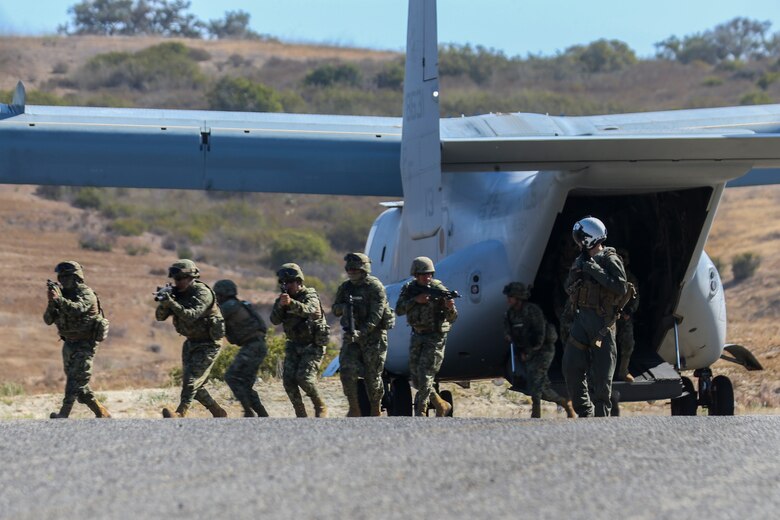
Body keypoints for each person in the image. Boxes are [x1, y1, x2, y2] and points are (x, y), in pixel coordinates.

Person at [563, 217, 628, 417]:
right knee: (571, 366)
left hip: (602, 325)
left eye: (580, 239)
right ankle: (585, 412)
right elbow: (568, 287)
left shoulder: (610, 259)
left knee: (602, 377)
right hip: (582, 321)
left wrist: (594, 269)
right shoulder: (581, 260)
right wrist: (576, 272)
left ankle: (601, 419)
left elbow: (620, 286)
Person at [156, 259, 228, 419]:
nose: (177, 282)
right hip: (191, 342)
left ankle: (180, 413)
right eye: (175, 279)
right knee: (196, 386)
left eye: (180, 278)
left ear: (190, 277)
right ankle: (218, 412)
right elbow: (159, 317)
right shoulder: (176, 293)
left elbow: (191, 315)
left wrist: (172, 303)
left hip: (209, 343)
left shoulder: (202, 293)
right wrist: (164, 303)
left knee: (192, 382)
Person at [44, 261, 111, 419]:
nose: (62, 280)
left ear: (76, 277)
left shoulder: (86, 294)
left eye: (66, 277)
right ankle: (101, 412)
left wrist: (60, 300)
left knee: (74, 380)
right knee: (79, 383)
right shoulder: (62, 295)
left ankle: (64, 413)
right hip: (69, 343)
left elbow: (78, 309)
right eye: (61, 277)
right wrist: (52, 302)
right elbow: (48, 319)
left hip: (85, 343)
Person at [395, 256, 457, 417]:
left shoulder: (438, 289)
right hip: (417, 335)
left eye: (429, 274)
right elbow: (399, 309)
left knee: (425, 373)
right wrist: (416, 300)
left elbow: (453, 318)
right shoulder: (409, 289)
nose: (427, 277)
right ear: (415, 275)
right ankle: (441, 404)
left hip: (435, 336)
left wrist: (449, 307)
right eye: (423, 274)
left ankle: (421, 410)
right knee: (416, 378)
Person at [502, 282, 575, 418]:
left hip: (543, 350)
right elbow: (509, 332)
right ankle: (564, 403)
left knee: (535, 381)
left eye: (511, 297)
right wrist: (513, 340)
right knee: (540, 386)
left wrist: (529, 353)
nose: (508, 300)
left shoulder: (533, 311)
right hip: (527, 352)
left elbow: (540, 335)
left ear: (518, 297)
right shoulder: (510, 314)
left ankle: (536, 414)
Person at [333, 253, 392, 417]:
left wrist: (361, 332)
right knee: (346, 370)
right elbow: (335, 309)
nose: (351, 272)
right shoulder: (345, 287)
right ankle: (354, 408)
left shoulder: (375, 287)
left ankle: (375, 408)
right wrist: (344, 308)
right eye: (349, 269)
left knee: (372, 376)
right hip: (351, 336)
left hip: (374, 337)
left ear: (364, 269)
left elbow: (376, 316)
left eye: (355, 269)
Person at [270, 263, 329, 418]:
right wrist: (281, 306)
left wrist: (291, 303)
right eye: (284, 283)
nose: (286, 286)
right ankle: (300, 413)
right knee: (288, 381)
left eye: (290, 282)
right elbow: (274, 320)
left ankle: (319, 405)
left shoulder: (310, 295)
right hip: (294, 344)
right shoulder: (283, 299)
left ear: (298, 281)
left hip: (312, 344)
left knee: (305, 379)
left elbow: (311, 311)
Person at [214, 279, 270, 418]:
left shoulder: (229, 306)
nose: (217, 298)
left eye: (218, 295)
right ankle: (263, 415)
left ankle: (248, 412)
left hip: (253, 346)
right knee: (245, 384)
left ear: (223, 294)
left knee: (232, 377)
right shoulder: (237, 304)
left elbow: (211, 318)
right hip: (256, 345)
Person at [615, 249, 639, 382]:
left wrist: (629, 311)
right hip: (608, 317)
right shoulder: (606, 275)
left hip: (623, 317)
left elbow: (635, 298)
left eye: (623, 257)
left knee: (628, 343)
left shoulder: (630, 278)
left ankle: (623, 371)